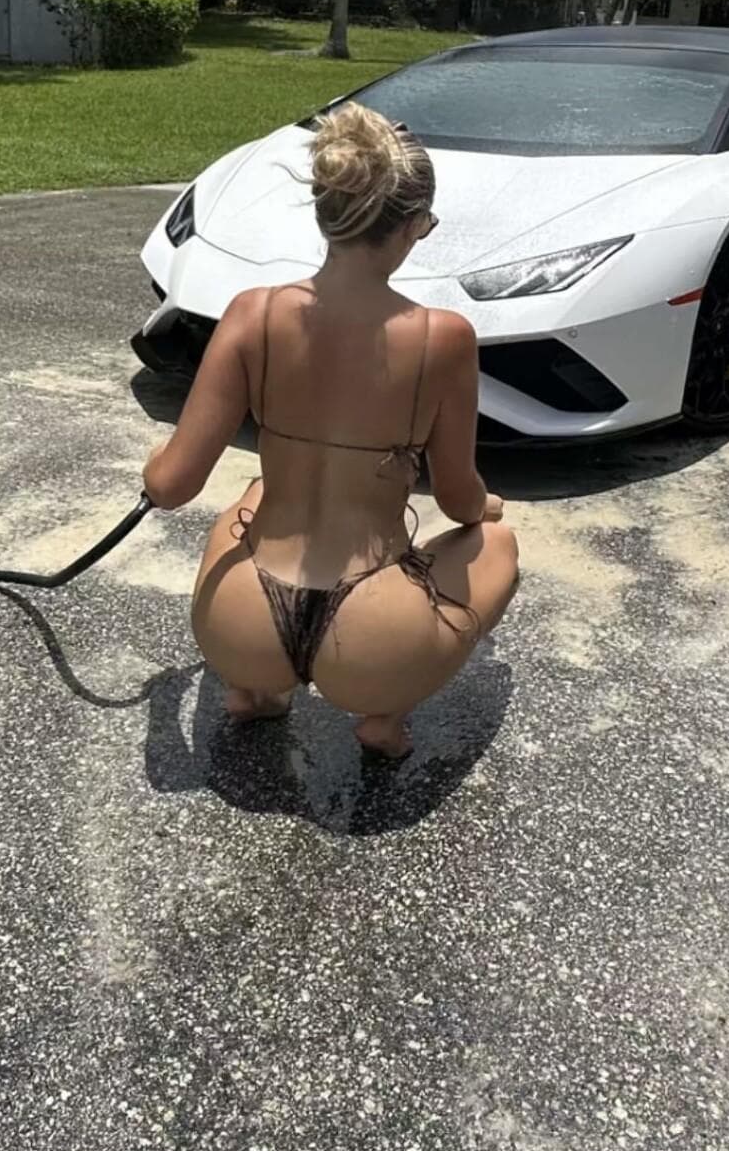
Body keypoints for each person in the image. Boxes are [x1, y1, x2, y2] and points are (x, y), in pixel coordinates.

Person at [142, 103, 519, 758]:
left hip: (240, 624)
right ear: (413, 226)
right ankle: (385, 714)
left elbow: (170, 485)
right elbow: (459, 499)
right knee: (499, 545)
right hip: (371, 638)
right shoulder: (444, 337)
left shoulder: (251, 314)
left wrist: (158, 460)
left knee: (254, 493)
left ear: (326, 212)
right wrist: (482, 506)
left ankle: (255, 689)